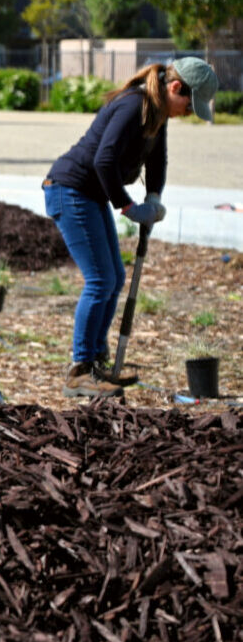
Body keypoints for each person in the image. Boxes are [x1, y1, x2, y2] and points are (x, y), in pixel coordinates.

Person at [42, 57, 217, 398]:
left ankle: (96, 363)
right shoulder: (134, 105)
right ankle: (80, 370)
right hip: (69, 189)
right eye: (188, 104)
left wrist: (153, 197)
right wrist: (127, 205)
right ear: (175, 88)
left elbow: (157, 160)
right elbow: (103, 160)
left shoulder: (158, 113)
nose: (188, 112)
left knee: (116, 278)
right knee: (100, 279)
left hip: (88, 194)